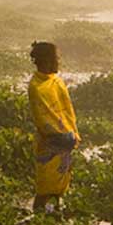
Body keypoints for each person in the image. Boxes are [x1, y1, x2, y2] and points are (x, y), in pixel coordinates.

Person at [27, 41, 79, 213]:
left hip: (65, 140)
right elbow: (42, 117)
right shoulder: (36, 86)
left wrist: (72, 133)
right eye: (56, 58)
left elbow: (66, 110)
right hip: (50, 143)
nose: (59, 61)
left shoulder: (57, 81)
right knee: (45, 187)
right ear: (46, 60)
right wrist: (60, 136)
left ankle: (53, 217)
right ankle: (41, 220)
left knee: (59, 187)